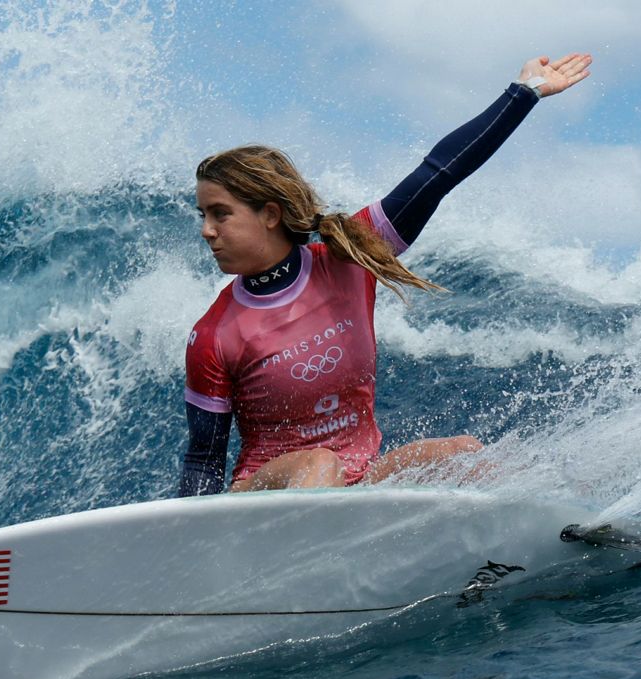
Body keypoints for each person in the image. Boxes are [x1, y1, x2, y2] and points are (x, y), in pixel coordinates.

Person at [179, 54, 593, 497]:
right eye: (203, 215)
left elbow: (437, 174)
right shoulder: (215, 335)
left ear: (270, 214)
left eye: (220, 214)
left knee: (464, 453)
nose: (207, 230)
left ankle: (559, 532)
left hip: (358, 487)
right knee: (320, 466)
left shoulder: (349, 258)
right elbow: (204, 460)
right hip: (262, 500)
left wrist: (523, 93)